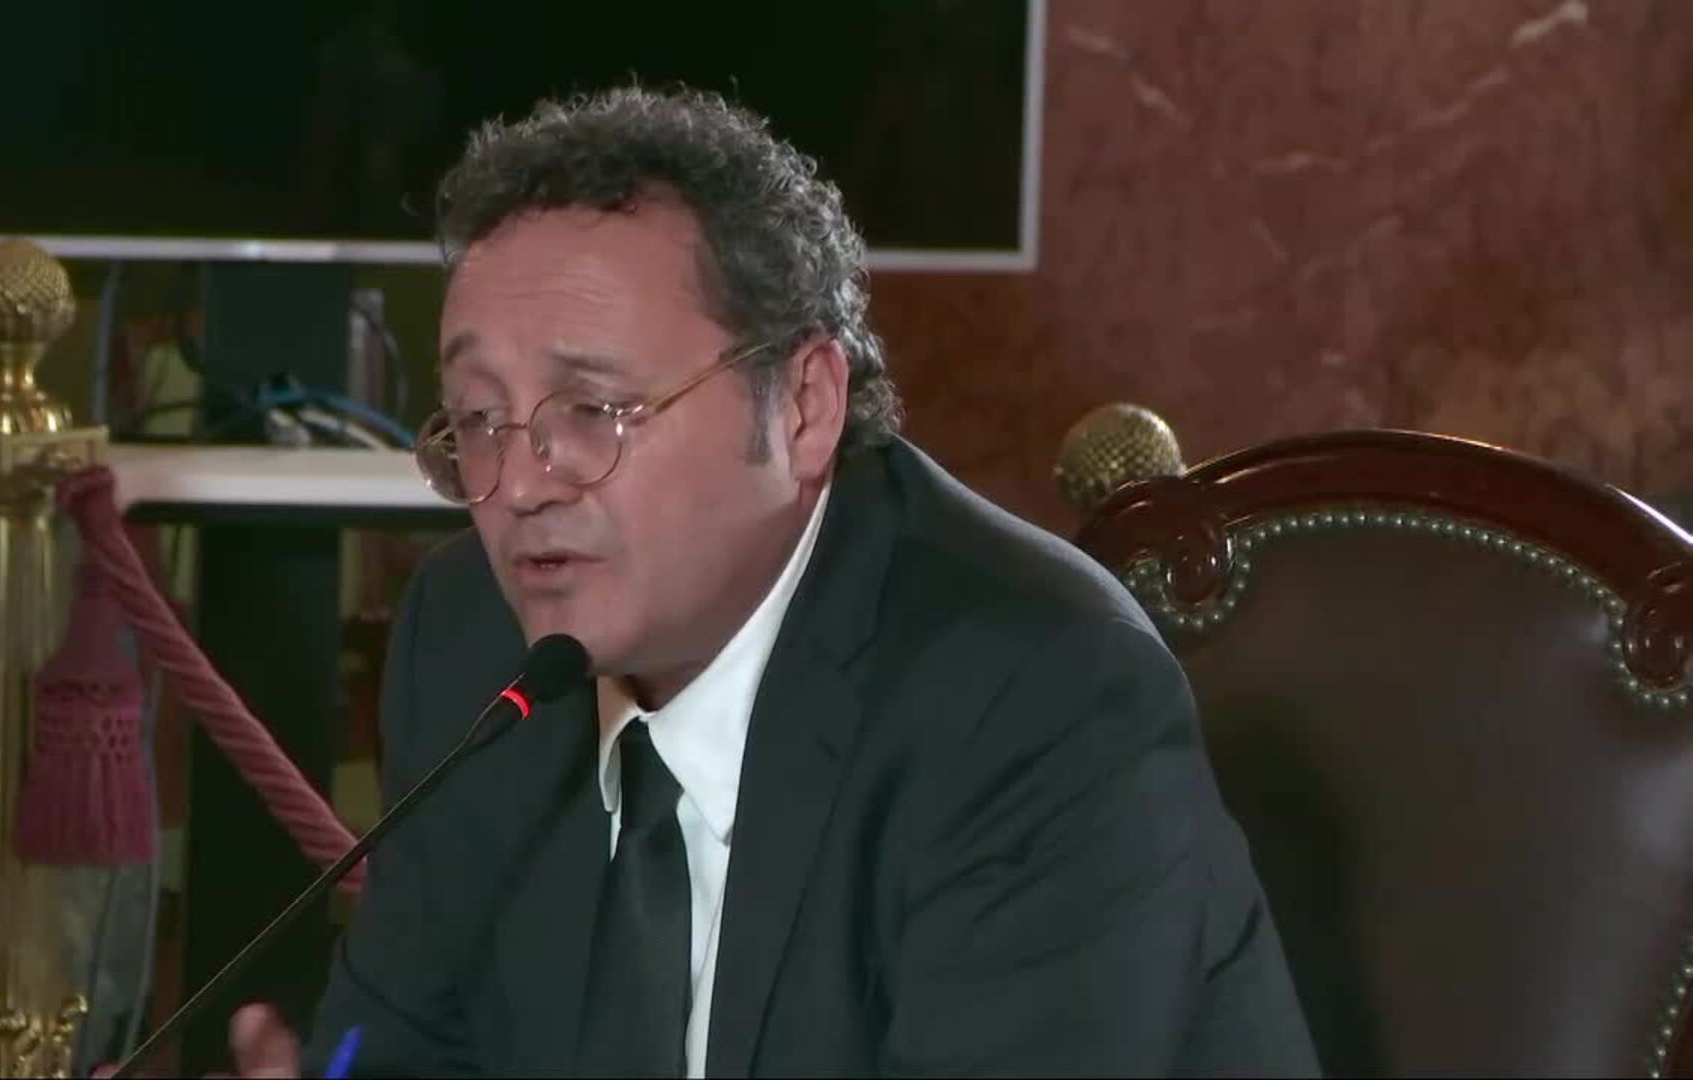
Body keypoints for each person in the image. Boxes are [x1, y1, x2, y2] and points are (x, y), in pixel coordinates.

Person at [229, 85, 1320, 1077]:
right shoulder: (470, 636)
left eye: (593, 410)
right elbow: (395, 1044)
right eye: (478, 418)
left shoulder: (1037, 699)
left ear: (803, 409)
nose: (517, 485)